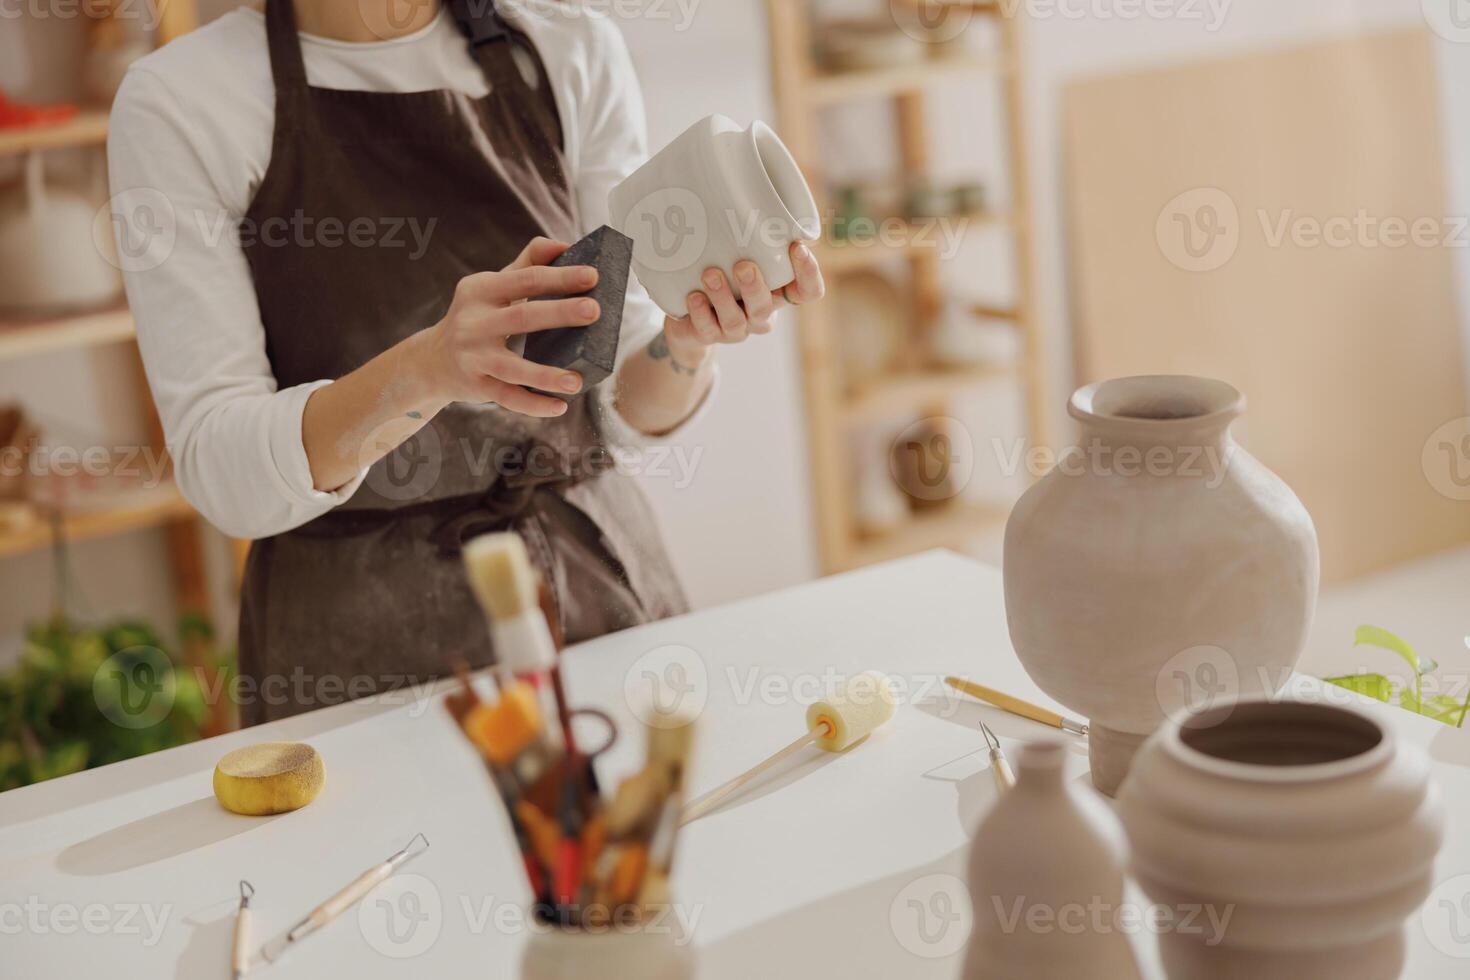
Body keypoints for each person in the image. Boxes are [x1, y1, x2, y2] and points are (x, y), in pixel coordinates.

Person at [107, 0, 825, 725]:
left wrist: (689, 341)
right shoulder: (183, 102)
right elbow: (223, 471)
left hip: (596, 606)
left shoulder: (569, 49)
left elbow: (619, 412)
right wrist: (425, 370)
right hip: (362, 655)